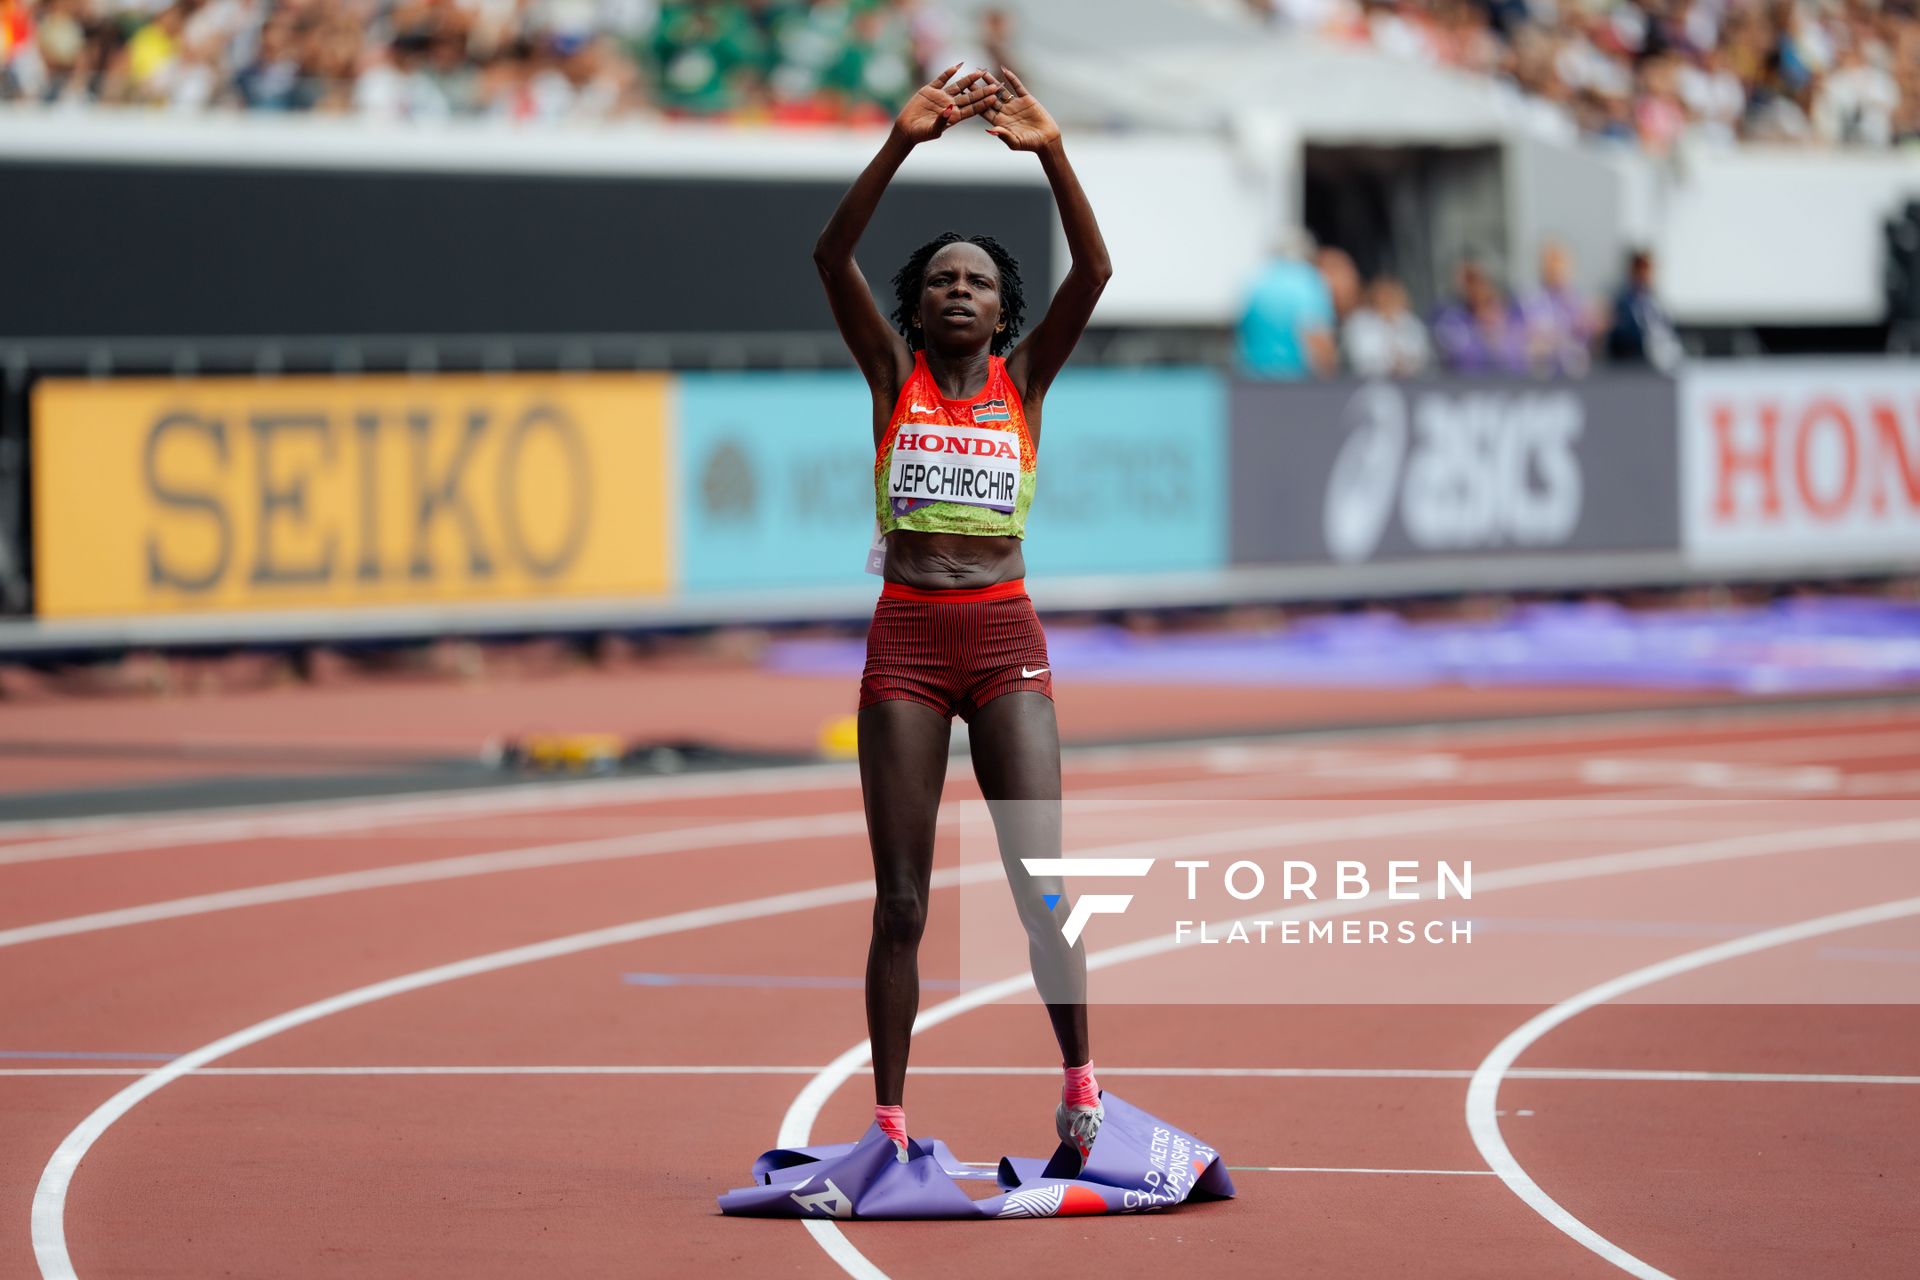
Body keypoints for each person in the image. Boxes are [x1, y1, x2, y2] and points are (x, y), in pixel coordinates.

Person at [811, 62, 1113, 1171]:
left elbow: (1098, 267)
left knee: (1042, 879)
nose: (956, 290)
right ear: (918, 301)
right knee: (902, 901)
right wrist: (897, 144)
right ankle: (889, 1117)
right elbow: (828, 257)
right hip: (905, 643)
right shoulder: (892, 378)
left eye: (977, 280)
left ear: (1001, 308)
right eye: (940, 277)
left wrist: (1052, 151)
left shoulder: (1025, 383)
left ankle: (1081, 1081)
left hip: (1003, 639)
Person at [1237, 227, 1337, 379]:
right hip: (1293, 383)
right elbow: (1317, 337)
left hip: (1252, 380)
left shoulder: (1256, 281)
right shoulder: (1308, 281)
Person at [1431, 255, 1529, 375]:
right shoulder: (1452, 317)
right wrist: (1482, 334)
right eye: (1469, 282)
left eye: (1479, 281)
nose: (1476, 288)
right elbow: (1461, 359)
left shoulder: (1511, 312)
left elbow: (1519, 355)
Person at [1606, 247, 1682, 370]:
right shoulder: (1623, 301)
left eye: (1649, 269)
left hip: (1659, 362)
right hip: (1633, 363)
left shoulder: (1656, 301)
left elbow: (1668, 329)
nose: (1646, 274)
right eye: (1642, 269)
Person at [1343, 274, 1431, 378]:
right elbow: (1360, 359)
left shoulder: (1413, 324)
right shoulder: (1358, 322)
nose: (1389, 299)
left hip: (1411, 383)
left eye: (1393, 294)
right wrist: (1389, 366)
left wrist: (1405, 365)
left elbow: (1423, 358)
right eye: (1385, 294)